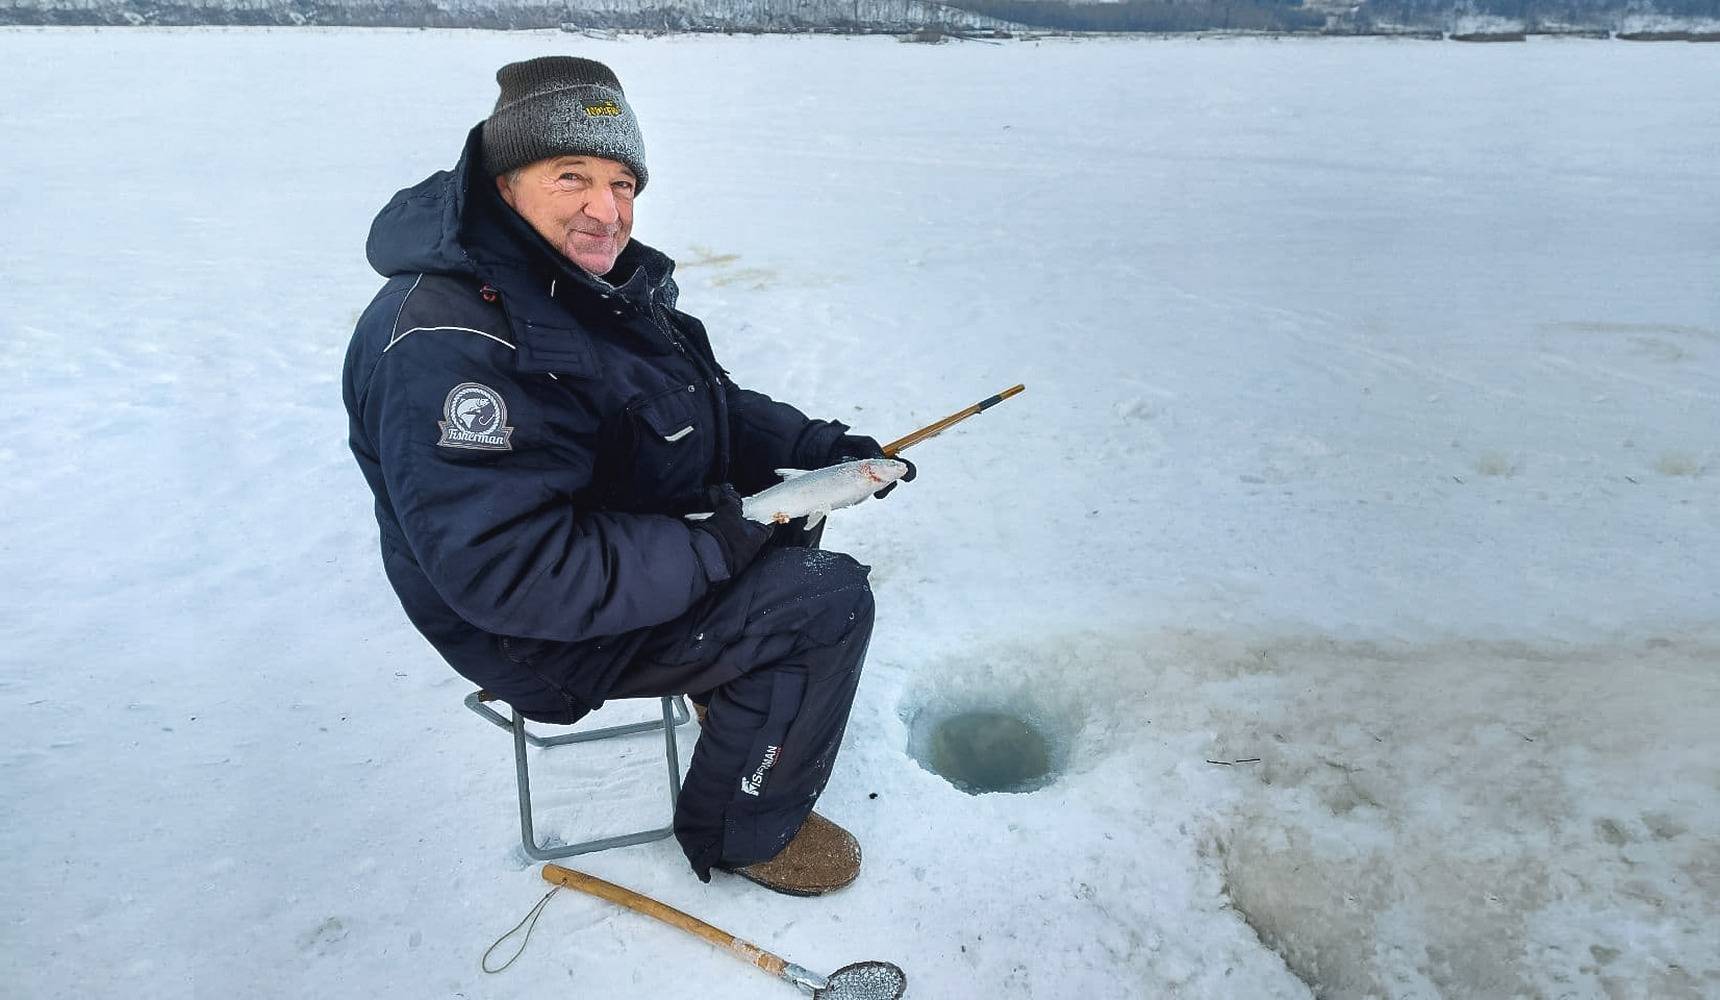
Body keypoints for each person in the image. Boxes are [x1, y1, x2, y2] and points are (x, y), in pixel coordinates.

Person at [341, 56, 913, 896]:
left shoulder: (571, 282)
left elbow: (693, 402)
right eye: (570, 174)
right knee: (823, 600)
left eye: (621, 182)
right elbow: (513, 571)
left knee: (796, 517)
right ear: (503, 183)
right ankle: (744, 830)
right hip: (535, 634)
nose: (604, 210)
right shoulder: (450, 342)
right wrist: (715, 544)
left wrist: (817, 449)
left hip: (605, 562)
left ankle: (739, 694)